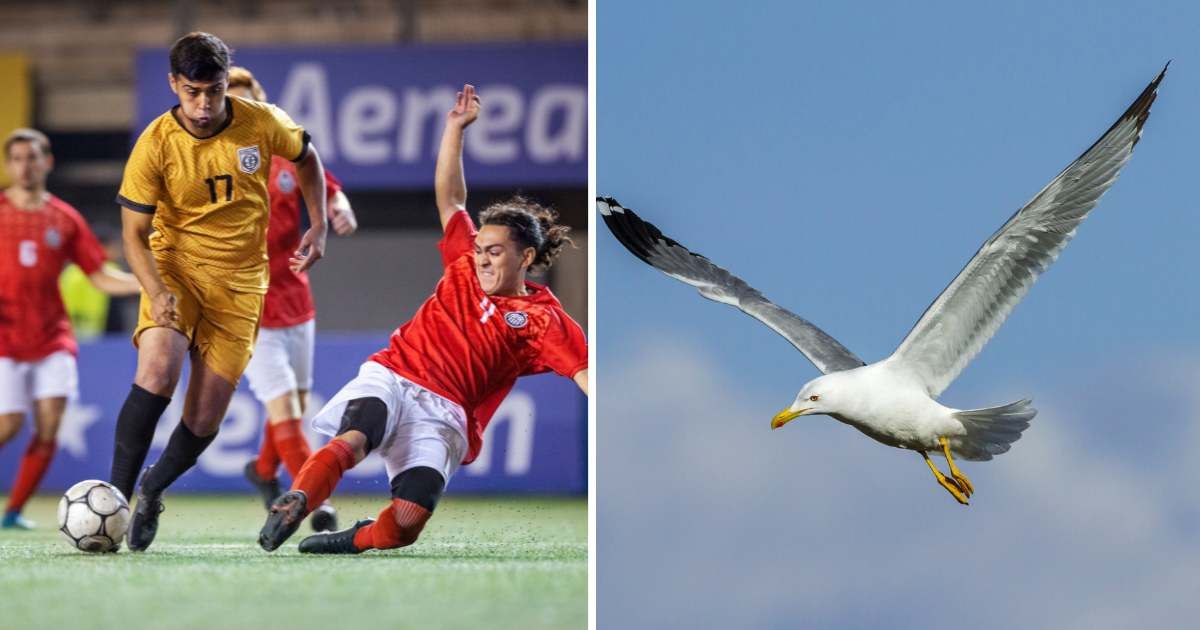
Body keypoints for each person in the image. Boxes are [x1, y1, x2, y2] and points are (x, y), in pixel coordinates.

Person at [258, 84, 588, 554]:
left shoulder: (544, 319)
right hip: (395, 374)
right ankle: (298, 500)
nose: (482, 260)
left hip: (446, 416)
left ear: (527, 257)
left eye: (494, 253)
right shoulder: (462, 264)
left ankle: (357, 538)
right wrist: (454, 130)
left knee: (407, 523)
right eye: (479, 250)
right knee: (355, 438)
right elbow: (452, 199)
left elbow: (585, 372)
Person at [109, 32, 329, 552]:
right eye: (192, 93)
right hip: (176, 266)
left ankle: (152, 489)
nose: (204, 105)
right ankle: (115, 499)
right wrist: (155, 288)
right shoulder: (155, 144)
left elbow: (307, 158)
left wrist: (317, 224)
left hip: (241, 283)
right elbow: (132, 237)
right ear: (173, 85)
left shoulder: (262, 121)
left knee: (205, 417)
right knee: (159, 369)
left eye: (213, 91)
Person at [225, 66, 357, 531]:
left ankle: (262, 471)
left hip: (297, 303)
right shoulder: (210, 166)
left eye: (245, 104)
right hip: (246, 308)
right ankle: (317, 504)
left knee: (295, 404)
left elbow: (331, 189)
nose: (236, 112)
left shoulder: (287, 158)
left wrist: (340, 211)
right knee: (287, 413)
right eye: (229, 104)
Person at [0, 128, 140, 529]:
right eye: (18, 158)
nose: (26, 166)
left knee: (48, 425)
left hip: (52, 339)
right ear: (9, 165)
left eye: (33, 157)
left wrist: (147, 282)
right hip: (5, 341)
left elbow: (99, 274)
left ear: (48, 162)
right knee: (7, 424)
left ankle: (13, 512)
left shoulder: (64, 219)